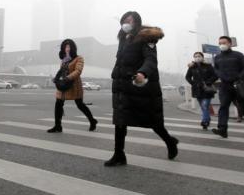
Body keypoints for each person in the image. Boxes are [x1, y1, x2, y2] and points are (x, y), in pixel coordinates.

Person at [105, 11, 178, 166]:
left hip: (141, 86)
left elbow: (151, 60)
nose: (126, 23)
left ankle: (170, 141)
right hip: (123, 85)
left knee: (153, 121)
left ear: (137, 22)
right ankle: (119, 154)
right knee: (120, 120)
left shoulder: (146, 38)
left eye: (130, 20)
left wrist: (142, 73)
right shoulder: (123, 39)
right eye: (124, 20)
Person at [47, 39, 98, 132]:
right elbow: (61, 71)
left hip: (74, 85)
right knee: (58, 104)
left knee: (80, 105)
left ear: (73, 48)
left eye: (69, 47)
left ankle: (92, 121)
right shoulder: (63, 60)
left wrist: (68, 77)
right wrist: (56, 78)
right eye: (66, 47)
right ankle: (58, 126)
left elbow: (78, 71)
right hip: (63, 85)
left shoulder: (79, 58)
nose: (67, 49)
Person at [211, 36, 244, 138]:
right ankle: (222, 129)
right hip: (225, 86)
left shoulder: (238, 55)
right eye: (220, 43)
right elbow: (215, 69)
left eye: (224, 43)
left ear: (230, 44)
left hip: (238, 85)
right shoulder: (217, 57)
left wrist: (239, 77)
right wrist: (219, 75)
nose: (222, 45)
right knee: (223, 107)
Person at [185, 52, 218, 129]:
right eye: (195, 56)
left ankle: (205, 121)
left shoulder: (208, 66)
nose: (197, 58)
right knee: (203, 106)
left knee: (205, 105)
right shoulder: (192, 67)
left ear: (202, 57)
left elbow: (215, 75)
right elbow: (187, 77)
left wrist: (209, 82)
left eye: (199, 56)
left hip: (207, 88)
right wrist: (193, 83)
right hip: (197, 89)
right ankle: (207, 119)